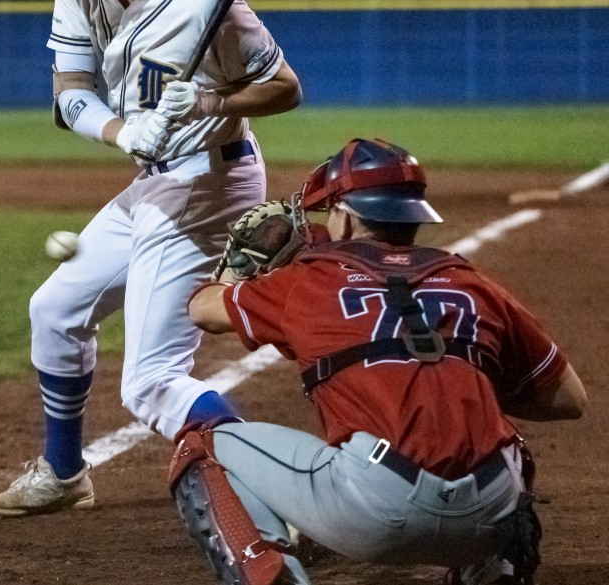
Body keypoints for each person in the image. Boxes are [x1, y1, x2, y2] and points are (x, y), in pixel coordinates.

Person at [0, 0, 302, 517]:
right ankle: (65, 474)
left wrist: (208, 98)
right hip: (152, 180)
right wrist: (123, 133)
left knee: (152, 382)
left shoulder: (207, 2)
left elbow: (287, 87)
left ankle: (289, 494)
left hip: (211, 185)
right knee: (55, 310)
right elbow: (69, 94)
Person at [175, 138, 586, 585]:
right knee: (502, 439)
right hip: (488, 517)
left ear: (347, 218)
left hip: (376, 512)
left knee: (202, 447)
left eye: (329, 209)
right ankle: (493, 572)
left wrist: (236, 270)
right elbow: (568, 400)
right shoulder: (473, 283)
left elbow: (202, 309)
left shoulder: (308, 281)